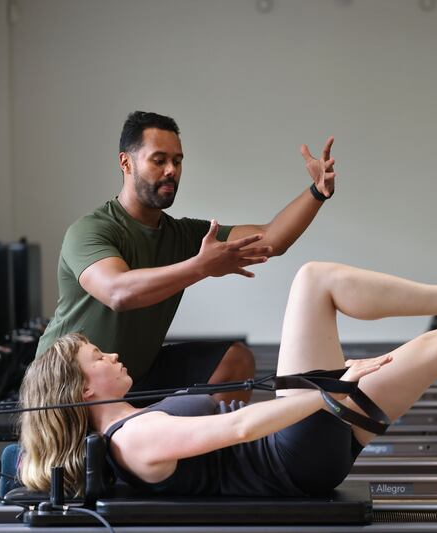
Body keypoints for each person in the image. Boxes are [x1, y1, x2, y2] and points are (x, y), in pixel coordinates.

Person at [19, 219, 437, 498]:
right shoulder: (132, 438)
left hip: (298, 449)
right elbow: (242, 427)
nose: (110, 352)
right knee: (314, 281)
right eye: (96, 354)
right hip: (290, 453)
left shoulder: (129, 426)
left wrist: (324, 389)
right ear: (82, 388)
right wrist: (329, 388)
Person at [36, 111, 338, 402]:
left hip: (133, 377)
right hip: (66, 387)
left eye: (177, 161)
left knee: (235, 361)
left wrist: (317, 192)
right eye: (159, 160)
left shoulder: (182, 234)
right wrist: (200, 266)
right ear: (126, 162)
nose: (171, 170)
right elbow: (118, 292)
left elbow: (270, 240)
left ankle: (215, 440)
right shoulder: (90, 230)